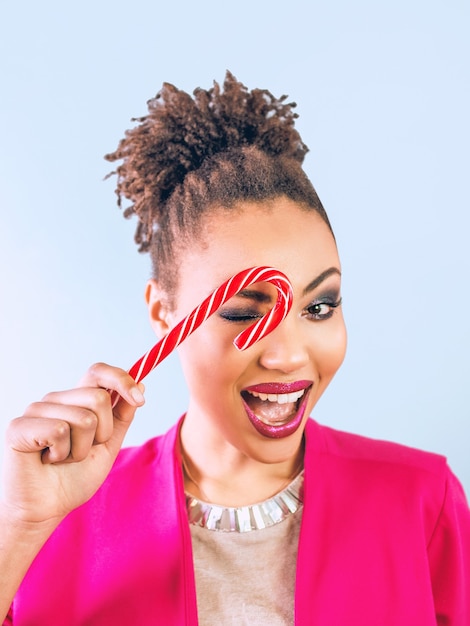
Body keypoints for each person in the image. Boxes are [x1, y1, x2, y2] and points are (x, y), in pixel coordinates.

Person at [1, 72, 469, 626]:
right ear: (163, 313)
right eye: (246, 313)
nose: (288, 355)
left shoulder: (422, 502)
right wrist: (19, 526)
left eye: (319, 307)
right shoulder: (55, 518)